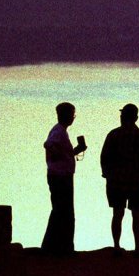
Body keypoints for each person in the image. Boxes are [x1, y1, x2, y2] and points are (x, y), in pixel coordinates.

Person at [100, 103, 139, 253]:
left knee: (118, 214)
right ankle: (137, 247)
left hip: (117, 182)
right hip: (137, 182)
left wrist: (108, 174)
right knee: (137, 215)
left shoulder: (114, 135)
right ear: (136, 118)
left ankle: (116, 246)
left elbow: (104, 158)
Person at [41, 102, 87, 255]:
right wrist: (61, 154)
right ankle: (60, 247)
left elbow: (58, 150)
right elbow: (49, 145)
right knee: (63, 211)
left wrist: (74, 151)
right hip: (60, 177)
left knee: (61, 211)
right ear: (66, 115)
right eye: (72, 114)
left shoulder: (60, 131)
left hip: (61, 176)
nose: (73, 118)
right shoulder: (58, 131)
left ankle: (56, 245)